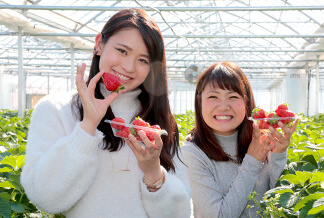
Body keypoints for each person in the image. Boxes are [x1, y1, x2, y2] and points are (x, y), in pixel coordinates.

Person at [21, 8, 190, 218]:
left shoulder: (157, 121)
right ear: (99, 44)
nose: (128, 67)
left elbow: (181, 214)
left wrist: (153, 172)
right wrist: (87, 126)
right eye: (122, 50)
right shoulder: (57, 110)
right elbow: (45, 198)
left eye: (143, 60)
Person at [181, 62, 298, 218]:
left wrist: (279, 155)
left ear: (246, 101)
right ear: (199, 101)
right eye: (213, 96)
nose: (223, 106)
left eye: (233, 96)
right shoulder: (192, 153)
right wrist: (253, 160)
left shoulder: (262, 139)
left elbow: (280, 203)